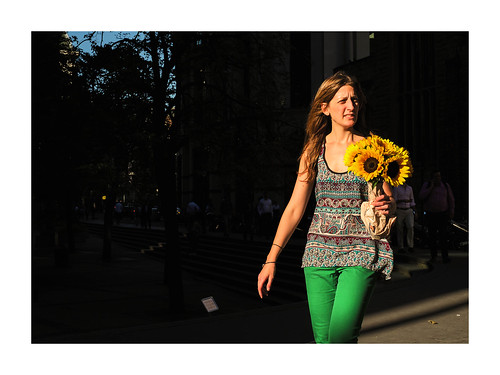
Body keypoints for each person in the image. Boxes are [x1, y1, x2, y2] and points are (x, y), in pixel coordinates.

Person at [257, 71, 395, 344]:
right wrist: (271, 259)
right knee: (324, 342)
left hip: (361, 250)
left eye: (355, 100)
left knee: (341, 339)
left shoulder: (374, 147)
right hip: (318, 255)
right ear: (325, 108)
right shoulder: (313, 150)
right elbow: (295, 208)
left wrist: (388, 205)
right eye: (342, 100)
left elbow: (389, 201)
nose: (351, 106)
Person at [419, 170, 455, 263]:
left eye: (439, 176)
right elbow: (421, 196)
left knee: (443, 235)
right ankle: (433, 256)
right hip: (431, 214)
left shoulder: (445, 186)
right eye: (436, 177)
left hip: (442, 214)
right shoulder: (427, 185)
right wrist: (431, 187)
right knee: (432, 236)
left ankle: (445, 256)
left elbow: (451, 199)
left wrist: (451, 211)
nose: (438, 179)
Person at [393, 182, 416, 253]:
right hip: (400, 209)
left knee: (410, 226)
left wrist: (414, 210)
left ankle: (410, 245)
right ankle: (401, 246)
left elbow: (412, 200)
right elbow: (395, 199)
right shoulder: (397, 188)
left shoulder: (409, 188)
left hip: (408, 209)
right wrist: (403, 200)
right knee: (400, 228)